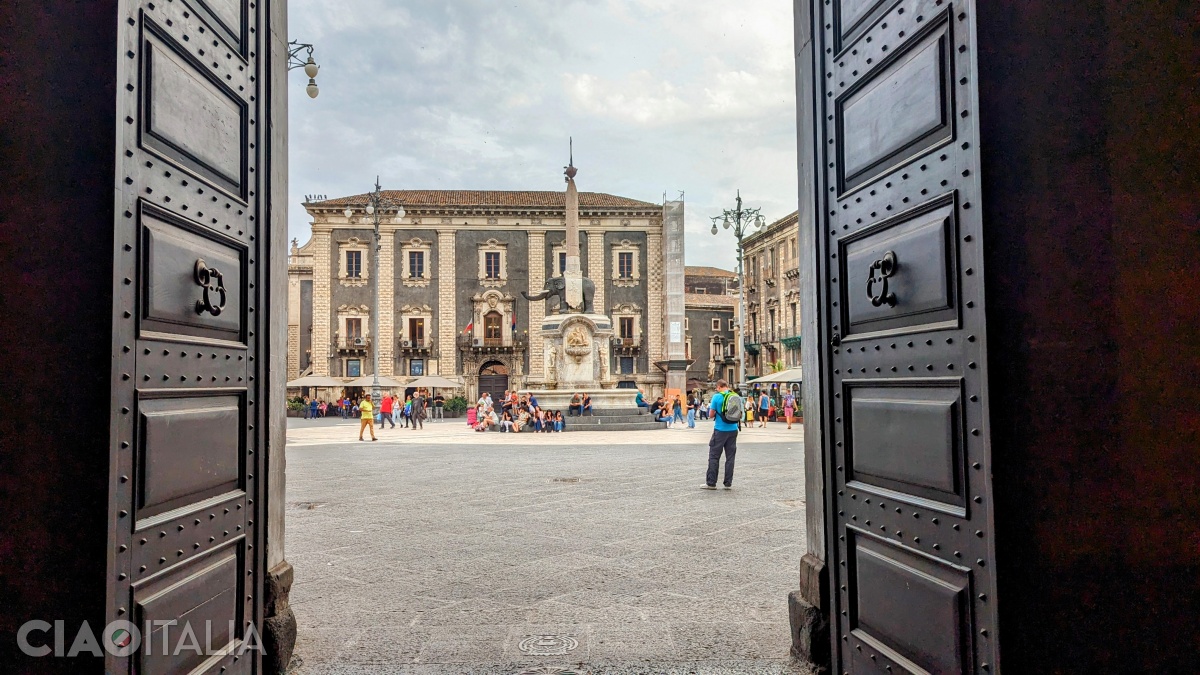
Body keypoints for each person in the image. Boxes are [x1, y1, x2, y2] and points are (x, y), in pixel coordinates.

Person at [703, 379, 739, 489]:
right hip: (733, 429)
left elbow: (711, 414)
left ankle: (711, 483)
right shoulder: (735, 396)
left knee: (714, 456)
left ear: (718, 387)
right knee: (730, 457)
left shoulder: (717, 397)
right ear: (727, 386)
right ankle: (728, 483)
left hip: (720, 430)